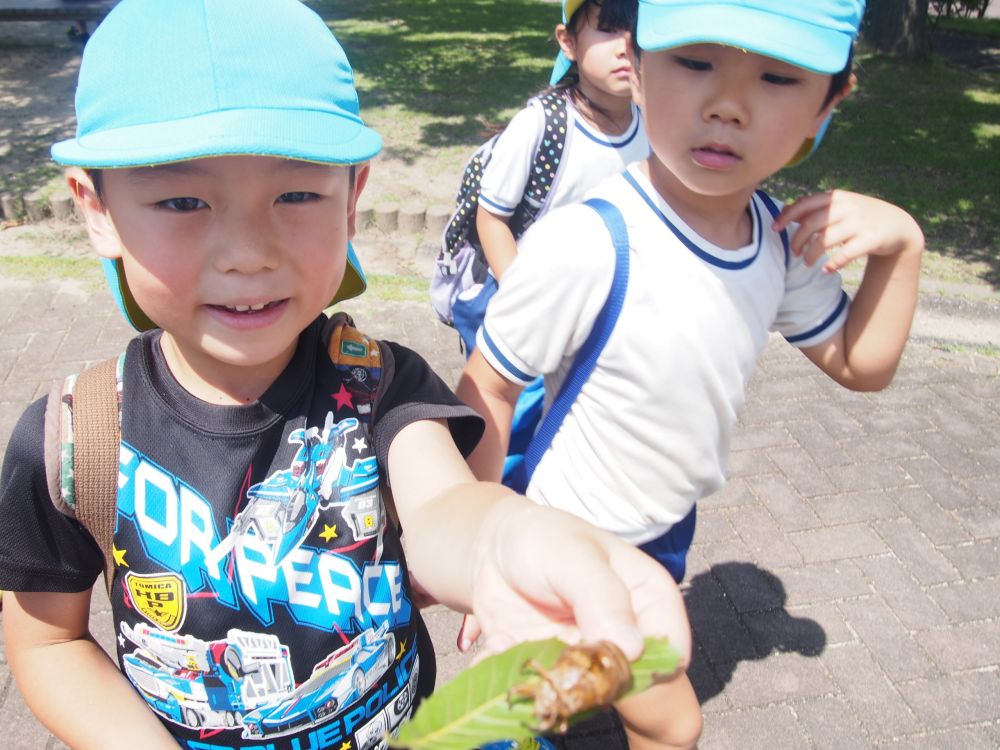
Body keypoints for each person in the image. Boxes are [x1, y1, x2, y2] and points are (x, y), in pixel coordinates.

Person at [0, 2, 693, 749]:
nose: (247, 252)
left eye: (296, 193)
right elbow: (48, 643)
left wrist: (506, 540)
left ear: (354, 195)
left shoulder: (378, 390)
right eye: (182, 200)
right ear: (95, 207)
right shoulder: (75, 441)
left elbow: (443, 508)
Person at [457, 0, 924, 747]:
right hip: (569, 534)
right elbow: (490, 386)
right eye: (696, 62)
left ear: (828, 104)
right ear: (638, 71)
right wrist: (483, 547)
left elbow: (861, 366)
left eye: (777, 76)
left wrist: (902, 247)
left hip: (664, 525)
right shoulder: (589, 239)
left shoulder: (775, 243)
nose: (728, 106)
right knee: (655, 723)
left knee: (547, 709)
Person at [452, 0, 649, 354]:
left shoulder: (655, 126)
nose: (626, 46)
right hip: (532, 322)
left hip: (610, 322)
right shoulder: (541, 125)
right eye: (608, 28)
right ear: (568, 41)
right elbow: (492, 218)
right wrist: (523, 303)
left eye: (638, 31)